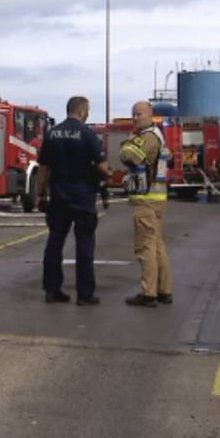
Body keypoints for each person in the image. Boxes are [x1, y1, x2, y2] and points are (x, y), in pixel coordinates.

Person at [36, 96, 111, 306]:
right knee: (84, 245)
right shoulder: (88, 135)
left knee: (54, 242)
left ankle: (52, 290)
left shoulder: (52, 134)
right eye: (87, 110)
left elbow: (44, 169)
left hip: (58, 195)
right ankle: (85, 294)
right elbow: (103, 167)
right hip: (83, 196)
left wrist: (40, 194)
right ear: (82, 111)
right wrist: (108, 177)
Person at [120, 100, 173, 308]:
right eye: (133, 114)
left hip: (146, 200)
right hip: (156, 199)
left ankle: (148, 293)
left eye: (139, 114)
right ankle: (164, 290)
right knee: (158, 246)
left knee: (146, 247)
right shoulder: (156, 135)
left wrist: (127, 143)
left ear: (150, 115)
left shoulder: (148, 137)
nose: (135, 118)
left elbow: (130, 157)